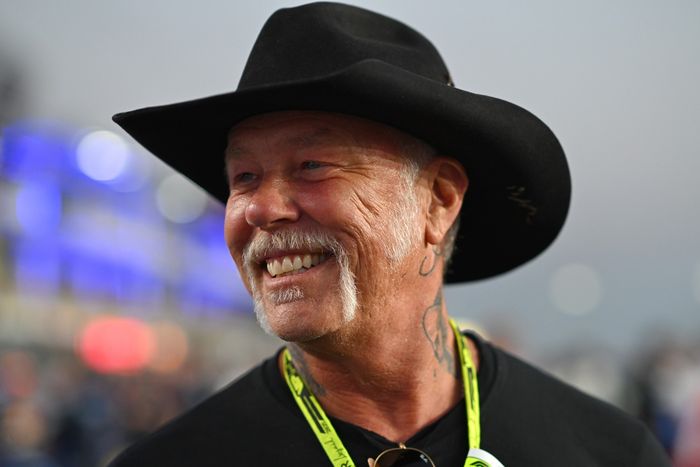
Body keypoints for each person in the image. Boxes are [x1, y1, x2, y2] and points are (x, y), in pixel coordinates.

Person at [108, 3, 670, 466]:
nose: (261, 208)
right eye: (244, 178)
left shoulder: (607, 452)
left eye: (312, 166)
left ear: (438, 199)